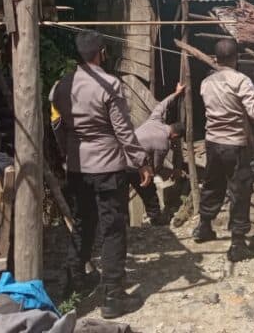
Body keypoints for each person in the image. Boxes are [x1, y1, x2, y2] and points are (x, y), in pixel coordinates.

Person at [50, 30, 154, 319]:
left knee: (83, 222)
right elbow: (123, 130)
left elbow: (57, 125)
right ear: (102, 53)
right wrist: (141, 161)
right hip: (107, 167)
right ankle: (113, 296)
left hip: (77, 167)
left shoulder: (62, 85)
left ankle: (72, 285)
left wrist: (65, 154)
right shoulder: (110, 85)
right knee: (112, 229)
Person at [193, 38, 254, 262]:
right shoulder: (241, 81)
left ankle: (204, 226)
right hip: (235, 144)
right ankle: (238, 243)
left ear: (216, 59)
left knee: (212, 184)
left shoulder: (206, 83)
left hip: (212, 143)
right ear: (236, 58)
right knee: (240, 191)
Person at [130, 82, 187, 226]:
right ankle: (155, 219)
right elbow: (155, 168)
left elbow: (162, 105)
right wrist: (171, 174)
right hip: (134, 165)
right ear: (175, 136)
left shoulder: (155, 120)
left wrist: (176, 93)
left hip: (120, 157)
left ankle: (125, 225)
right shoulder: (163, 144)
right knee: (149, 192)